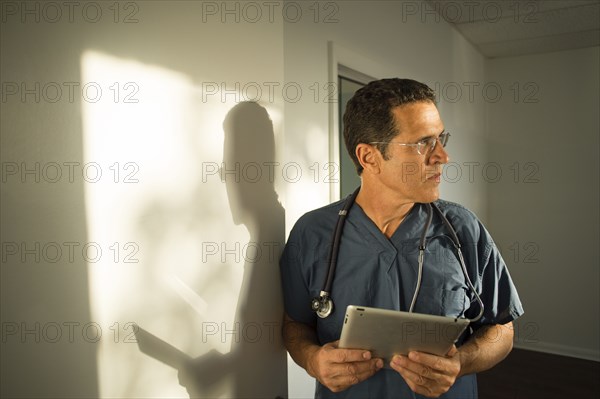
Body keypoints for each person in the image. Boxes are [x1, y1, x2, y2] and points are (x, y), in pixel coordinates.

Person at [279, 78, 524, 398]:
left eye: (440, 138)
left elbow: (502, 329)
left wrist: (460, 363)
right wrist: (312, 359)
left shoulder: (462, 228)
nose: (443, 157)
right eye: (423, 143)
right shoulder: (312, 233)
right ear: (369, 157)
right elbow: (295, 325)